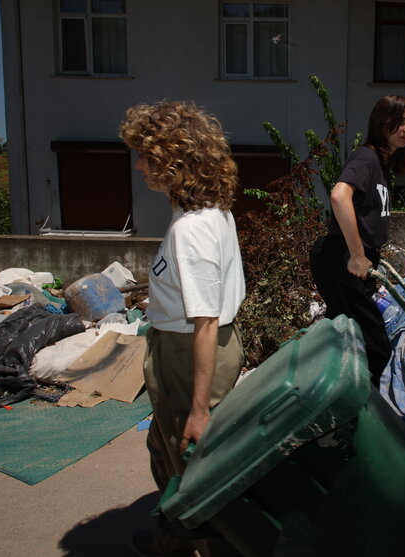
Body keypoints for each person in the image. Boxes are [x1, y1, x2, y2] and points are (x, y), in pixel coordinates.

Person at [120, 101, 246, 557]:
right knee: (166, 449)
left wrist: (199, 408)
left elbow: (206, 321)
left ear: (176, 161)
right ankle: (172, 541)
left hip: (189, 353)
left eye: (146, 156)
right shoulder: (211, 212)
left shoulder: (190, 230)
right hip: (191, 347)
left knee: (195, 470)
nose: (139, 165)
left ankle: (202, 548)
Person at [309, 95, 405, 385]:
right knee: (375, 348)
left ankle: (330, 402)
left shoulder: (381, 165)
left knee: (343, 343)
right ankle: (357, 412)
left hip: (353, 262)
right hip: (343, 260)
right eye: (401, 121)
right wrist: (358, 255)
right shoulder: (366, 157)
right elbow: (338, 195)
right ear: (383, 123)